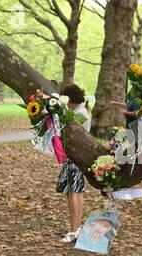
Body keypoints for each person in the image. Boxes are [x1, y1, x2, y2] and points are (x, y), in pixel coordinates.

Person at [56, 84, 91, 243]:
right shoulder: (78, 112)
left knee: (75, 192)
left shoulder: (81, 114)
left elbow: (73, 132)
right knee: (73, 191)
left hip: (77, 157)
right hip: (74, 156)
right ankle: (75, 228)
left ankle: (75, 229)